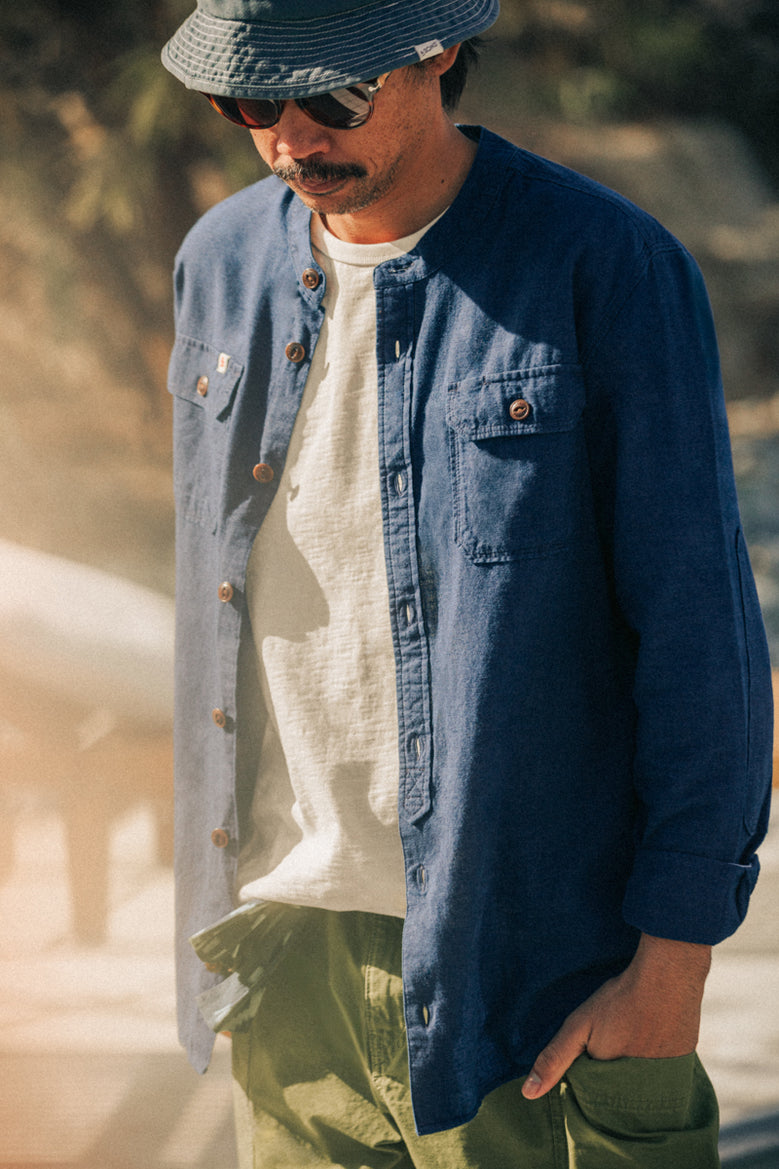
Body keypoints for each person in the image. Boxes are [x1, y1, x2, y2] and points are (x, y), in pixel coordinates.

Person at [160, 2, 773, 1165]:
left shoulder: (603, 264)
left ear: (434, 50)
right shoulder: (219, 265)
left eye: (330, 93)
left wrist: (672, 960)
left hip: (538, 982)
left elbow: (700, 638)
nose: (290, 136)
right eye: (250, 100)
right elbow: (217, 612)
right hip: (285, 966)